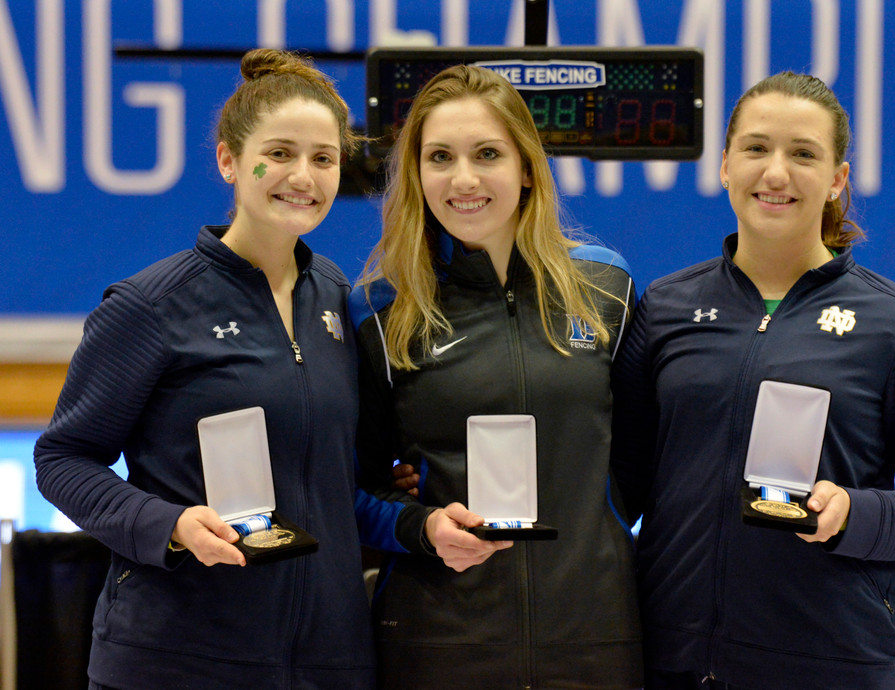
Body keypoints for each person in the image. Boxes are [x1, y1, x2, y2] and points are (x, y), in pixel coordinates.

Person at [33, 48, 404, 689]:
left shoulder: (335, 297)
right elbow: (63, 460)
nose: (303, 176)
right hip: (177, 660)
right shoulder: (152, 305)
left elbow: (342, 479)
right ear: (229, 161)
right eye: (280, 153)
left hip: (328, 662)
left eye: (323, 159)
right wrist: (168, 524)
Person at [610, 71, 895, 690]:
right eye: (756, 149)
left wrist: (855, 514)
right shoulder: (666, 306)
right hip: (671, 660)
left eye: (803, 154)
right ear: (725, 165)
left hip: (830, 664)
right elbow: (617, 481)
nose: (775, 173)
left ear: (838, 179)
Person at [350, 64, 643, 689]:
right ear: (415, 174)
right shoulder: (381, 311)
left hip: (594, 637)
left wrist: (610, 520)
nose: (464, 179)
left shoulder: (606, 287)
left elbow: (645, 456)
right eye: (439, 157)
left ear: (527, 167)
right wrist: (420, 526)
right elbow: (345, 490)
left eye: (487, 154)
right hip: (439, 642)